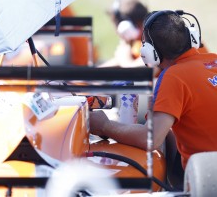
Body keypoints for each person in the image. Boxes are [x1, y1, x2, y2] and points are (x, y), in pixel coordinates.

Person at [90, 10, 217, 188]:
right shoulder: (214, 59)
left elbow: (151, 139)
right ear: (191, 36)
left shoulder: (173, 77)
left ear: (149, 53)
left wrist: (105, 125)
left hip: (209, 179)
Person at [99, 0, 149, 67]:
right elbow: (116, 62)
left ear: (126, 27)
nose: (117, 33)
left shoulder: (153, 41)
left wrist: (124, 61)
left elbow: (149, 70)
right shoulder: (137, 42)